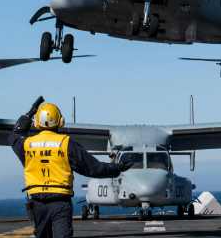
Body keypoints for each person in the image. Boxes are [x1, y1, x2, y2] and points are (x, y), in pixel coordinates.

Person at [9, 99, 130, 238]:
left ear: (37, 122)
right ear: (60, 121)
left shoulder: (27, 144)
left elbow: (14, 134)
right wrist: (117, 168)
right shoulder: (66, 144)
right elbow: (94, 168)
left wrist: (29, 113)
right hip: (60, 203)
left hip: (37, 204)